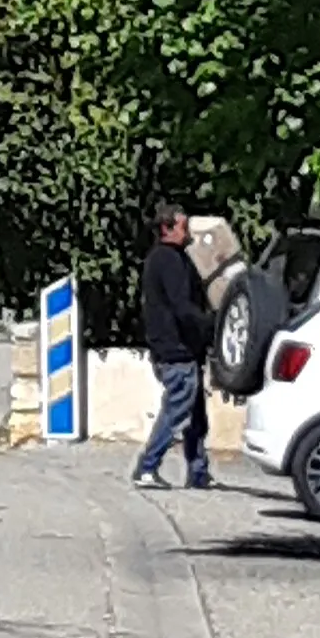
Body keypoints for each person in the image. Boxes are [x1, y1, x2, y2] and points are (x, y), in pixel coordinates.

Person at [135, 202, 215, 490]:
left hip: (183, 349)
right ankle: (147, 468)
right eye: (183, 226)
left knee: (195, 415)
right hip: (174, 349)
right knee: (177, 410)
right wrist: (210, 325)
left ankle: (198, 471)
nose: (188, 232)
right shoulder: (167, 259)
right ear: (167, 228)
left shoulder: (172, 258)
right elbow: (182, 306)